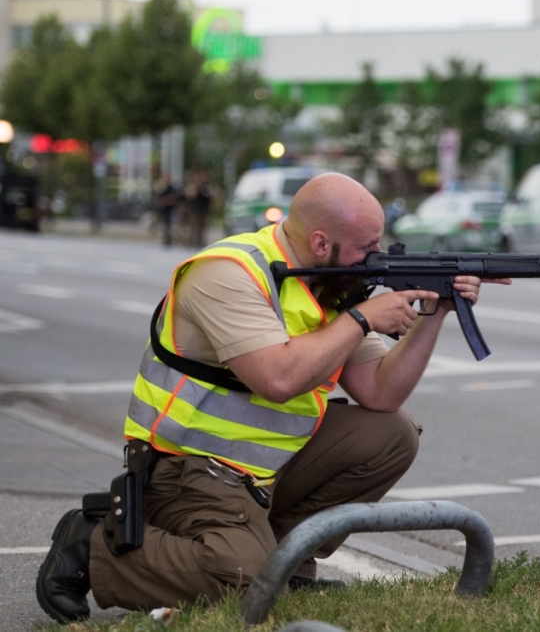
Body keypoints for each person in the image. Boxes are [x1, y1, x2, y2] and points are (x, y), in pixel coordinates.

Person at [36, 172, 510, 621]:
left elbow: (381, 393)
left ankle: (290, 561)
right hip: (184, 469)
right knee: (249, 587)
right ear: (322, 243)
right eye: (366, 248)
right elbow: (277, 379)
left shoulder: (326, 285)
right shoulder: (228, 272)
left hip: (259, 471)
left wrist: (437, 312)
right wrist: (363, 319)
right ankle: (95, 544)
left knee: (391, 435)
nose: (376, 256)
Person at [155, 177, 180, 247]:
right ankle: (165, 240)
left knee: (169, 225)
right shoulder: (163, 188)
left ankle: (169, 240)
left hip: (170, 210)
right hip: (164, 209)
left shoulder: (172, 189)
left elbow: (174, 198)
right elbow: (159, 198)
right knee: (164, 225)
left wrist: (166, 200)